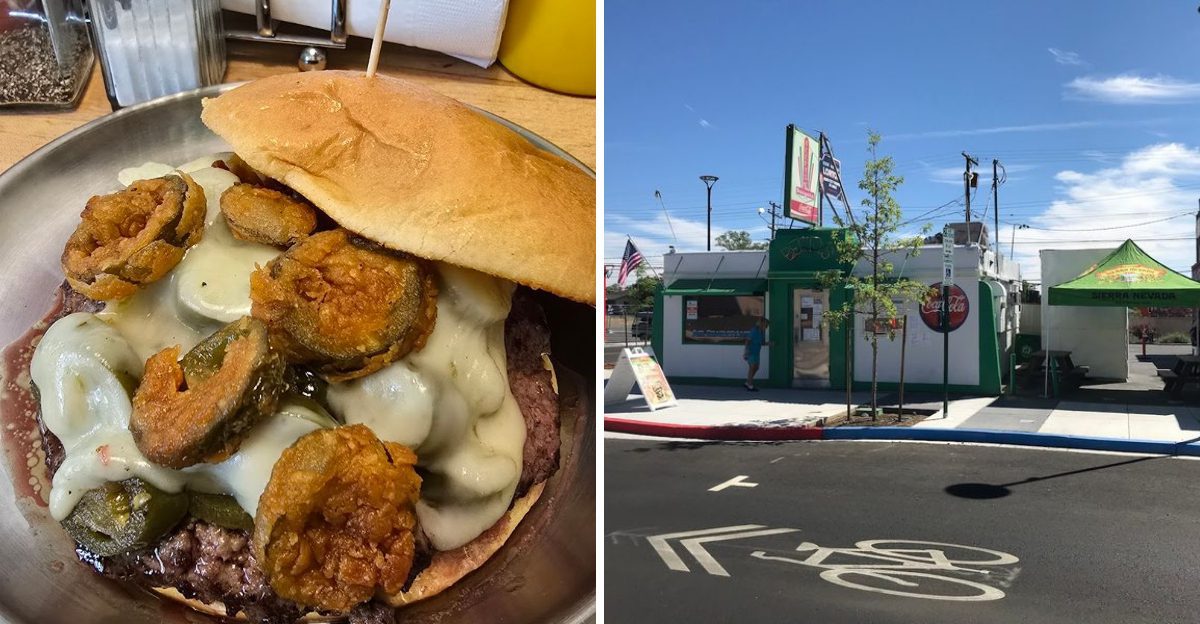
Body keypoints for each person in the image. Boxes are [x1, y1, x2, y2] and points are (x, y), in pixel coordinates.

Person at [743, 317, 770, 391]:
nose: (767, 327)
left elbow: (762, 342)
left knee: (756, 367)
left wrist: (769, 343)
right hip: (751, 351)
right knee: (752, 368)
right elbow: (747, 341)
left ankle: (747, 382)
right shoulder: (754, 331)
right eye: (766, 325)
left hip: (757, 352)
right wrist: (746, 351)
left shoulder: (761, 333)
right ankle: (750, 385)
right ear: (762, 324)